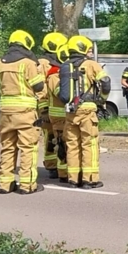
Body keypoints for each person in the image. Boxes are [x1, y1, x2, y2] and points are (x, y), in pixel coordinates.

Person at [0, 30, 46, 195]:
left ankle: (5, 184)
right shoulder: (27, 63)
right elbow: (38, 86)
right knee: (27, 147)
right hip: (25, 111)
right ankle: (27, 185)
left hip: (5, 112)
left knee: (7, 147)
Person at [60, 35, 110, 189]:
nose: (89, 52)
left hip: (70, 110)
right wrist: (101, 100)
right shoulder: (92, 64)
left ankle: (73, 179)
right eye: (88, 49)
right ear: (82, 49)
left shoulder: (65, 66)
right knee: (89, 144)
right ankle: (89, 179)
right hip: (87, 109)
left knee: (73, 144)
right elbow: (106, 83)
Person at [38, 32, 67, 177]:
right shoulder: (43, 63)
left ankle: (57, 165)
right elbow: (41, 88)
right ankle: (52, 166)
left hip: (54, 107)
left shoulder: (55, 62)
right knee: (50, 138)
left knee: (56, 137)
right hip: (47, 106)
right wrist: (43, 109)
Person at [46, 44, 70, 183]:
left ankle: (69, 171)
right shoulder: (54, 75)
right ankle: (63, 174)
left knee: (68, 145)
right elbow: (61, 94)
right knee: (61, 145)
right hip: (59, 116)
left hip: (66, 115)